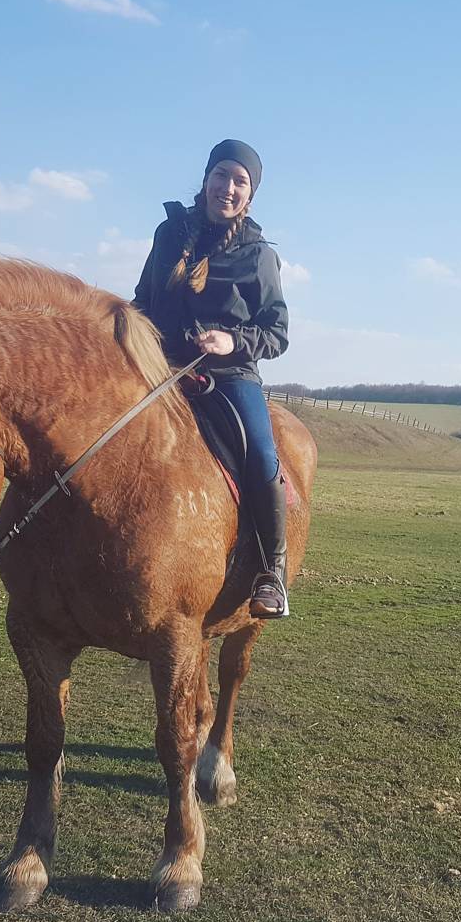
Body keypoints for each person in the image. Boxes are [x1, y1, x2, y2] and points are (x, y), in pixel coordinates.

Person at [132, 139, 290, 618]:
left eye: (240, 181)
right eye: (221, 175)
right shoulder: (169, 233)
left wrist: (232, 342)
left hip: (228, 374)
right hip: (158, 366)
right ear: (205, 180)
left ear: (250, 194)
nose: (228, 187)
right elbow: (143, 298)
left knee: (262, 454)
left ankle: (271, 570)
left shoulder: (259, 256)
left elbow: (277, 333)